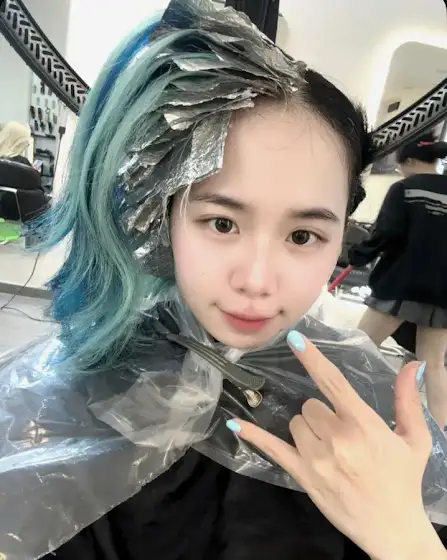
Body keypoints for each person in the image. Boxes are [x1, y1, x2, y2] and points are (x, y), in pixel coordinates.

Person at [1, 2, 447, 559]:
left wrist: (405, 537)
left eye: (303, 235)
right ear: (163, 214)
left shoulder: (369, 413)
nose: (257, 281)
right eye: (222, 223)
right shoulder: (64, 400)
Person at [349, 132, 447, 429]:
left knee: (358, 347)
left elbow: (385, 234)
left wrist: (358, 255)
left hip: (400, 285)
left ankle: (340, 406)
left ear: (410, 161)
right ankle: (440, 434)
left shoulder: (404, 189)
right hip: (443, 295)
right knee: (434, 364)